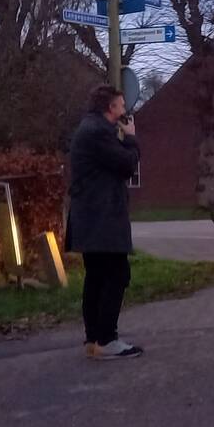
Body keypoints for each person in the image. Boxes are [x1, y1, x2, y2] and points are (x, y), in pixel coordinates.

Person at [66, 84, 143, 360]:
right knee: (117, 275)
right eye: (122, 105)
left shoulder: (91, 129)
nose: (125, 110)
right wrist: (132, 139)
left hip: (91, 217)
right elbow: (126, 164)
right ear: (111, 107)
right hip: (102, 219)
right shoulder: (98, 132)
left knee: (96, 277)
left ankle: (94, 339)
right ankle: (107, 339)